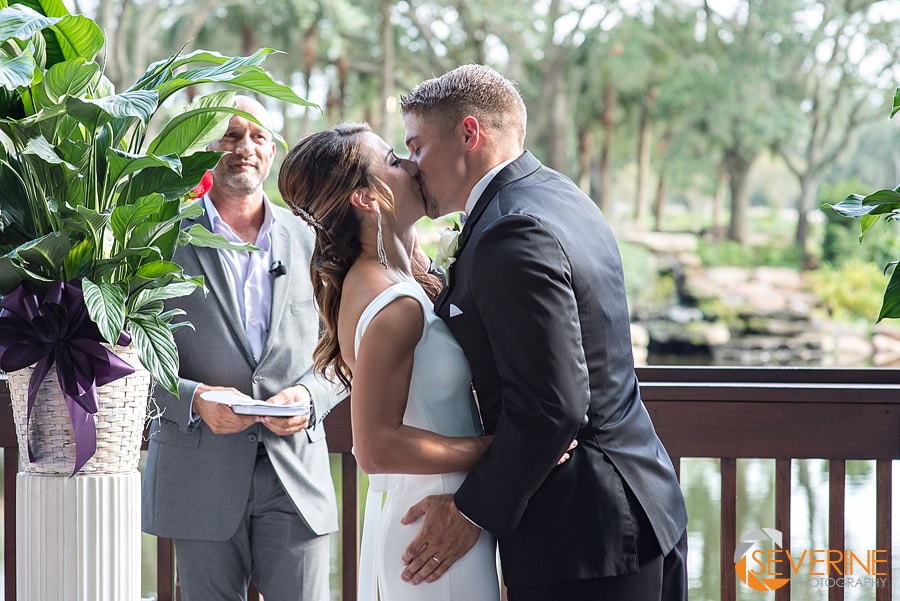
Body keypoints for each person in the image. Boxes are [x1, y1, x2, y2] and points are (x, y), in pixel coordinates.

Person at [396, 64, 689, 601]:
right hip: (637, 508)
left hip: (586, 534)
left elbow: (553, 407)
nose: (411, 166)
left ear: (468, 133)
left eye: (416, 147)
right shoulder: (556, 194)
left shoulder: (509, 231)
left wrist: (470, 512)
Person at [277, 122, 503, 601]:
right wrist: (495, 449)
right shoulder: (393, 304)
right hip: (431, 525)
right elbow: (375, 448)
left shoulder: (393, 276)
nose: (410, 164)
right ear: (366, 198)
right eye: (393, 160)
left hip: (423, 507)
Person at [141, 95, 346, 601]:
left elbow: (347, 350)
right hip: (200, 472)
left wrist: (311, 398)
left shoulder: (313, 240)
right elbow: (129, 356)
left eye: (256, 137)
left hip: (294, 473)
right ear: (208, 147)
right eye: (231, 136)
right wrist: (192, 399)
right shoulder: (159, 237)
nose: (244, 148)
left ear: (272, 151)